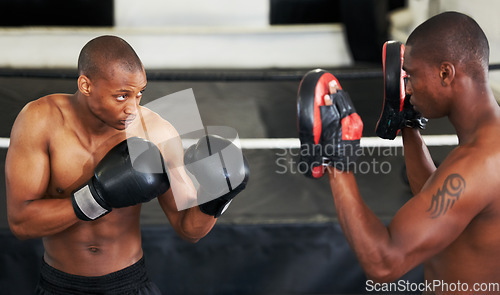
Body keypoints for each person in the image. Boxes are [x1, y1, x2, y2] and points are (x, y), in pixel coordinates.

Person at [5, 35, 248, 294]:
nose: (132, 108)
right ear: (86, 85)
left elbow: (189, 230)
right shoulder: (40, 121)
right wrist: (95, 199)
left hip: (128, 284)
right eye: (122, 96)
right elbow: (21, 224)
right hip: (59, 285)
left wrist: (217, 197)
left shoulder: (156, 132)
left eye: (139, 94)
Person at [310, 11, 500, 293]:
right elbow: (437, 202)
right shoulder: (486, 144)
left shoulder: (479, 161)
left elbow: (384, 264)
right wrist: (409, 126)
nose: (407, 88)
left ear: (445, 73)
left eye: (411, 76)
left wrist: (337, 162)